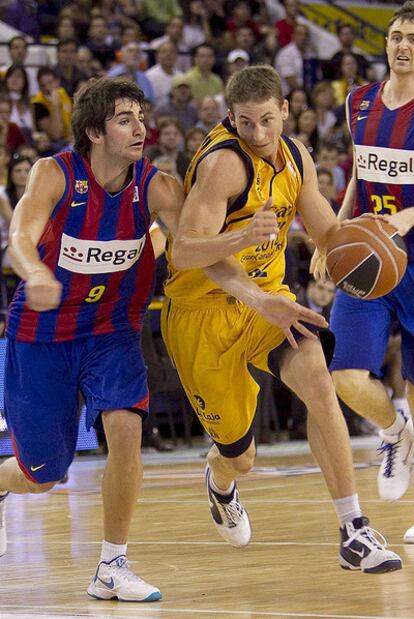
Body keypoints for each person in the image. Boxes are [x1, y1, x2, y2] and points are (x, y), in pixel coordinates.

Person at [161, 64, 402, 573]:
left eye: (268, 120)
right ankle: (220, 478)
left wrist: (377, 237)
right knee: (241, 457)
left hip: (269, 300)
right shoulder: (223, 166)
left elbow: (329, 231)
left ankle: (353, 530)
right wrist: (243, 240)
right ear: (231, 117)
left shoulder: (296, 158)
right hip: (202, 316)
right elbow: (183, 251)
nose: (259, 134)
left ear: (286, 111)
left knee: (319, 380)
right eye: (245, 122)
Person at [0, 76, 183, 602]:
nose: (140, 128)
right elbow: (20, 233)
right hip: (44, 333)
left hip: (111, 329)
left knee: (126, 427)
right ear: (94, 132)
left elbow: (192, 239)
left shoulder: (156, 185)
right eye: (125, 119)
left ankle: (111, 565)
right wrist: (34, 272)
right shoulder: (54, 174)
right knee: (43, 475)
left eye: (141, 118)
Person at [311, 2, 414, 527]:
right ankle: (393, 431)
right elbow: (358, 175)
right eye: (396, 35)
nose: (402, 45)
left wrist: (408, 217)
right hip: (370, 255)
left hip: (413, 257)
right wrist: (332, 236)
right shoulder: (360, 101)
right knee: (347, 376)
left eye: (412, 37)